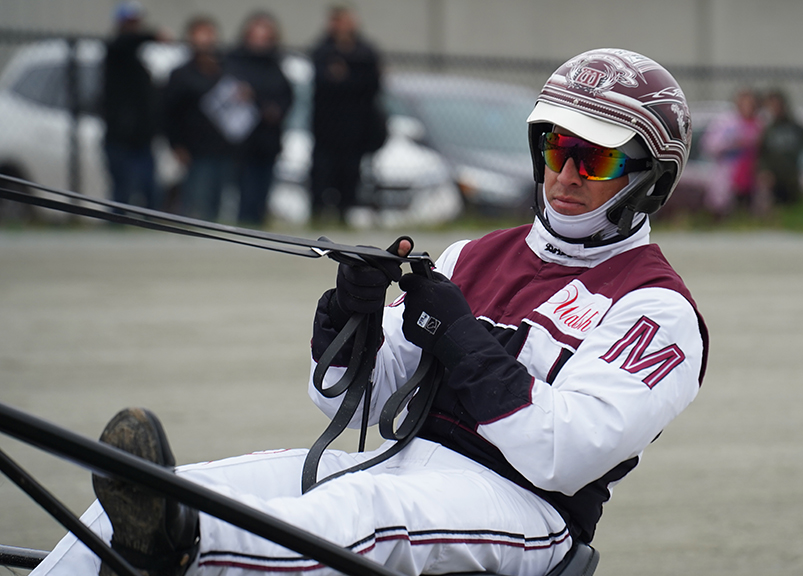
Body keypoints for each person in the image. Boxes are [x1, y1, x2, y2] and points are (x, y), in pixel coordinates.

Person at [32, 48, 707, 576]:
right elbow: (353, 409)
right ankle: (172, 532)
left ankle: (188, 548)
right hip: (404, 459)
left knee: (363, 515)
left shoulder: (657, 308)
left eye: (593, 160)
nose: (564, 176)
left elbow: (562, 454)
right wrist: (349, 323)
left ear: (650, 178)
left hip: (523, 509)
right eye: (557, 149)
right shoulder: (473, 254)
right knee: (170, 491)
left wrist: (462, 340)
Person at [309, 4, 385, 224]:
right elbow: (323, 81)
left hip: (355, 128)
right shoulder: (322, 50)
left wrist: (344, 76)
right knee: (322, 172)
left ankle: (345, 212)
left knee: (350, 173)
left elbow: (371, 84)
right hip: (325, 127)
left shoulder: (364, 51)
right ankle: (318, 212)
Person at [163, 16, 235, 221]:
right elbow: (169, 114)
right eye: (200, 34)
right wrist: (176, 144)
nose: (206, 40)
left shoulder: (225, 70)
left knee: (219, 202)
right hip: (194, 149)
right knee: (196, 201)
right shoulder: (181, 75)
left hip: (224, 146)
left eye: (209, 34)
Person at [225, 11, 293, 226]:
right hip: (240, 139)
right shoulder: (234, 61)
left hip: (268, 138)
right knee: (243, 188)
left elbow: (286, 96)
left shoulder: (276, 64)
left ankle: (257, 222)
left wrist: (273, 109)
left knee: (262, 189)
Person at [102, 1, 165, 210]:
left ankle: (151, 228)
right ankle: (116, 228)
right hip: (120, 137)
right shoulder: (116, 51)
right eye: (130, 22)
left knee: (150, 188)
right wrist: (155, 35)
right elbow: (126, 42)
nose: (134, 26)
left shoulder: (138, 61)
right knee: (123, 189)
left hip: (142, 137)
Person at [701, 87, 762, 217]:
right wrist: (731, 142)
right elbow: (709, 145)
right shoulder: (726, 122)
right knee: (726, 208)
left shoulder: (760, 123)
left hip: (751, 175)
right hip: (730, 175)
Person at [757, 89, 803, 208]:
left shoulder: (794, 126)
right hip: (774, 177)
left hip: (792, 175)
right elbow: (761, 152)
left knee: (793, 207)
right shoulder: (766, 129)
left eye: (778, 105)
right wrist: (764, 171)